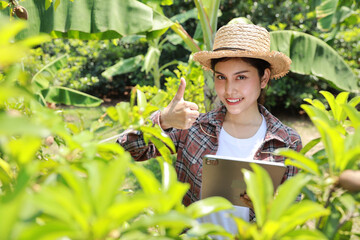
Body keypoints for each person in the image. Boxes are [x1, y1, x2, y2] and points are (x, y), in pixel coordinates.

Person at [117, 23, 302, 234]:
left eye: (241, 77)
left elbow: (291, 220)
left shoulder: (286, 142)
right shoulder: (193, 128)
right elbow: (127, 147)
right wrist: (163, 119)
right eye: (221, 77)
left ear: (264, 78)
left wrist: (268, 207)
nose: (229, 90)